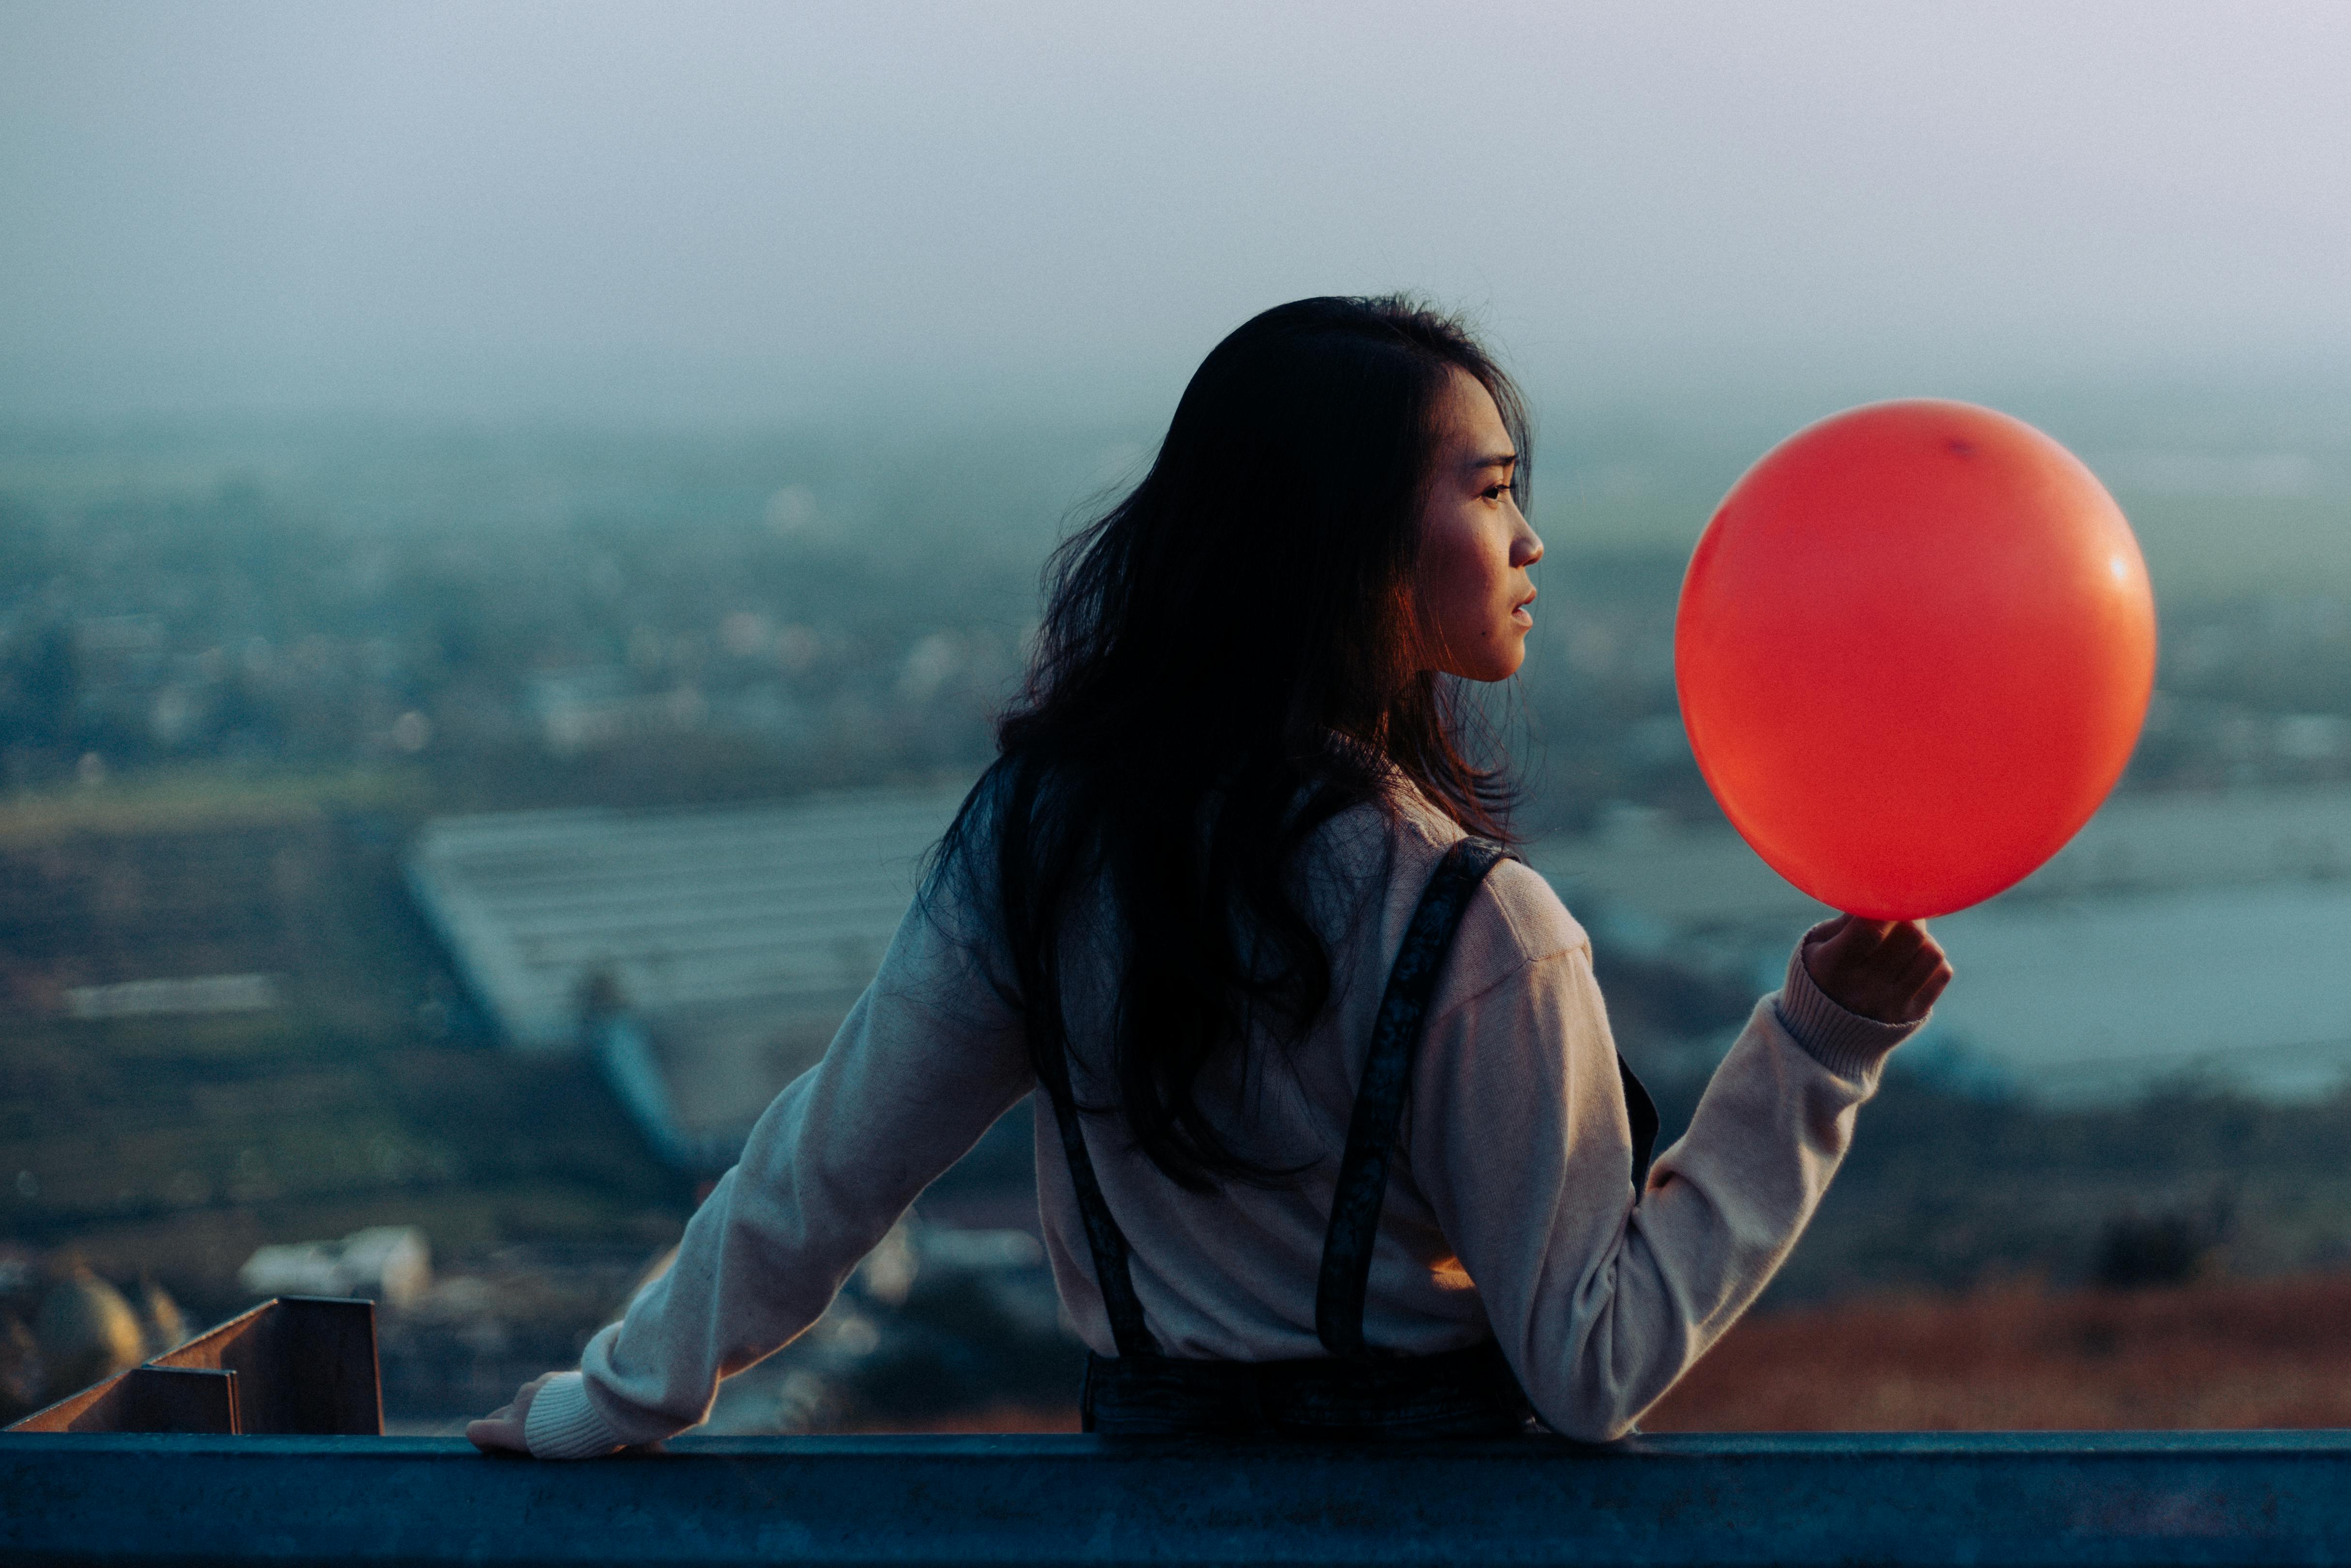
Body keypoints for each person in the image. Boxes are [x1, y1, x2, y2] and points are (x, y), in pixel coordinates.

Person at [469, 295, 1949, 1453]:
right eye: (1491, 491)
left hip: (1136, 1533)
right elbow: (1591, 1369)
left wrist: (609, 1402)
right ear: (1351, 538)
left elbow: (825, 1174)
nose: (1529, 538)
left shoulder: (1038, 843)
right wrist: (1815, 1055)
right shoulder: (1479, 927)